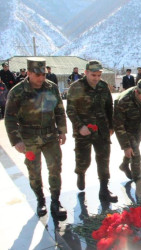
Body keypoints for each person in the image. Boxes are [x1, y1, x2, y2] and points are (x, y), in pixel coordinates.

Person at [4, 58, 67, 217]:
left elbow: (59, 110)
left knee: (55, 168)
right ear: (29, 73)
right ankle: (40, 200)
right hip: (29, 140)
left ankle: (55, 201)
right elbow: (10, 118)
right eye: (37, 75)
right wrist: (16, 141)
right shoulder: (17, 91)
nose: (41, 78)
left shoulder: (51, 88)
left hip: (50, 137)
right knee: (34, 171)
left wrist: (62, 130)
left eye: (43, 74)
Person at [66, 60, 117, 203]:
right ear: (86, 73)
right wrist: (79, 126)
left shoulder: (103, 86)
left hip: (102, 129)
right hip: (84, 131)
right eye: (93, 75)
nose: (96, 78)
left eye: (99, 75)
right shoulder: (76, 87)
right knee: (84, 160)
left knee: (104, 159)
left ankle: (104, 189)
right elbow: (70, 110)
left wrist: (111, 126)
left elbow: (109, 106)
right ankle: (81, 173)